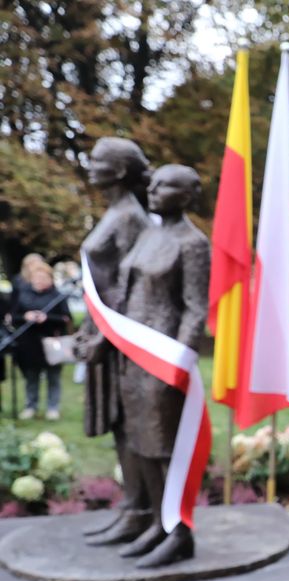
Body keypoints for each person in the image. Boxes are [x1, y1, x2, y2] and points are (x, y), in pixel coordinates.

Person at [111, 164, 209, 567]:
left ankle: (179, 533)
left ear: (187, 195)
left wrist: (178, 366)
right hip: (133, 356)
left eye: (165, 184)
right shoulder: (149, 234)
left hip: (163, 358)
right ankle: (156, 522)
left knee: (167, 449)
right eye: (153, 182)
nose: (152, 188)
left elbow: (196, 310)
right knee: (141, 444)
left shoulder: (193, 243)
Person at [76, 137, 155, 545]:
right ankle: (132, 506)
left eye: (98, 160)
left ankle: (142, 511)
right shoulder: (114, 213)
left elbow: (131, 288)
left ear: (121, 171)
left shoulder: (130, 219)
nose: (90, 165)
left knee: (131, 426)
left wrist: (106, 339)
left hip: (125, 341)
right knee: (118, 426)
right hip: (105, 337)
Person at [11, 260, 71, 420]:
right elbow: (13, 317)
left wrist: (47, 318)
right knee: (31, 377)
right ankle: (31, 406)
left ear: (50, 279)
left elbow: (66, 318)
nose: (39, 281)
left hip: (51, 341)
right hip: (29, 343)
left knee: (53, 377)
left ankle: (53, 407)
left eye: (43, 278)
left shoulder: (57, 296)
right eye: (36, 278)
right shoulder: (23, 294)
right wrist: (26, 316)